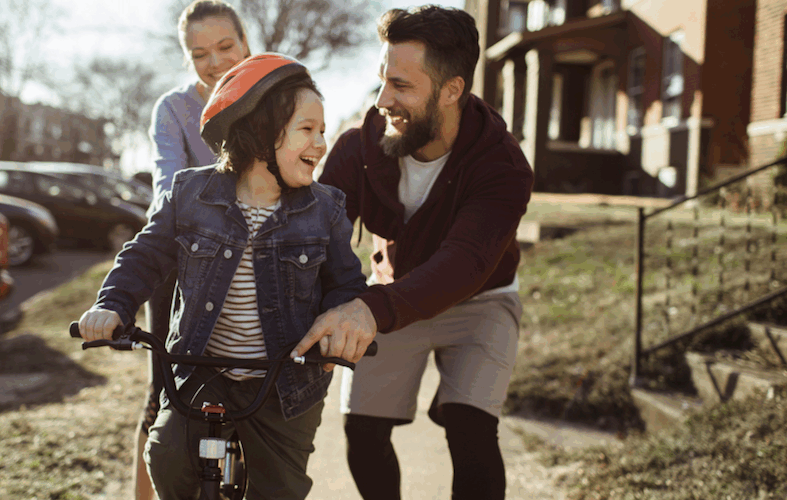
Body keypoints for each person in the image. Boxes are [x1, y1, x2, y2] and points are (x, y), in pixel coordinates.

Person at [77, 53, 367, 500]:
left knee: (280, 490)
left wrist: (343, 323)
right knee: (166, 457)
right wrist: (112, 304)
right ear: (261, 132)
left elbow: (345, 285)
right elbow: (145, 255)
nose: (321, 143)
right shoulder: (190, 194)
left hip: (284, 381)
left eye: (322, 130)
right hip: (200, 368)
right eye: (307, 129)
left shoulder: (324, 209)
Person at [291, 5, 534, 500]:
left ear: (451, 90)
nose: (383, 99)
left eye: (401, 85)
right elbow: (309, 235)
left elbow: (463, 264)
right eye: (382, 80)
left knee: (471, 428)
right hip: (393, 293)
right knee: (362, 429)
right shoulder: (359, 149)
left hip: (480, 300)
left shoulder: (503, 165)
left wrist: (365, 310)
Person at [136, 1, 251, 498]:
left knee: (253, 393)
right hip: (182, 258)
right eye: (199, 52)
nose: (215, 61)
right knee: (163, 395)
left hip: (257, 262)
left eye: (225, 46)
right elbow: (169, 184)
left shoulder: (280, 97)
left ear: (246, 43)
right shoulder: (175, 109)